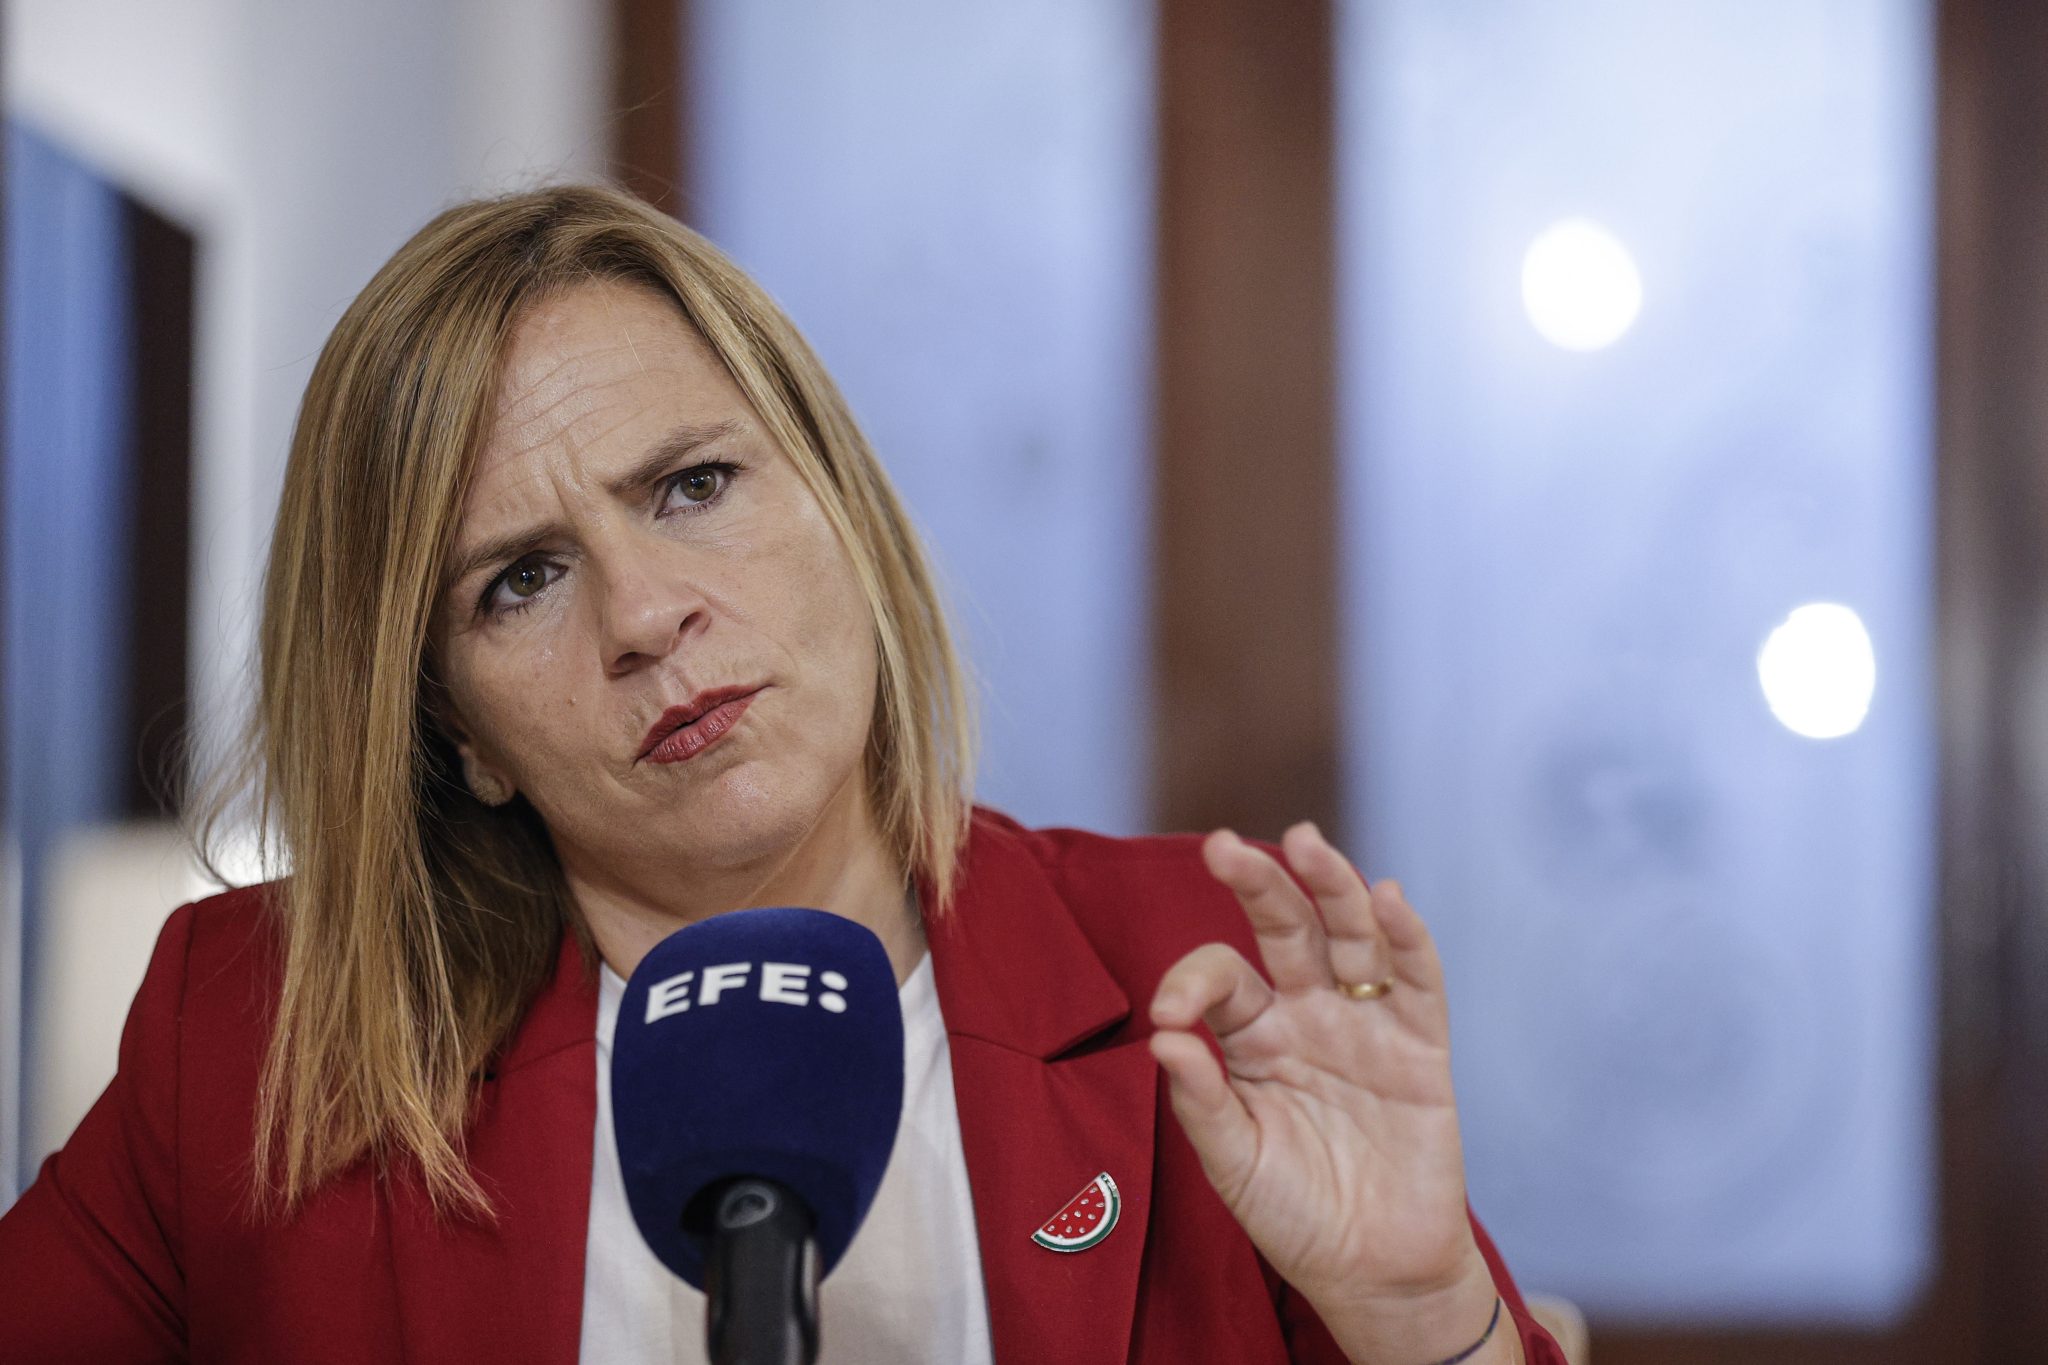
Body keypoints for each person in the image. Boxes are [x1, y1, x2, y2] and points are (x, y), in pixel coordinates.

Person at [0, 184, 1563, 1365]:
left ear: (840, 505)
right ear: (455, 728)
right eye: (520, 579)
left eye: (692, 485)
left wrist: (1424, 1317)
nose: (643, 614)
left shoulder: (1204, 979)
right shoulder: (254, 1036)